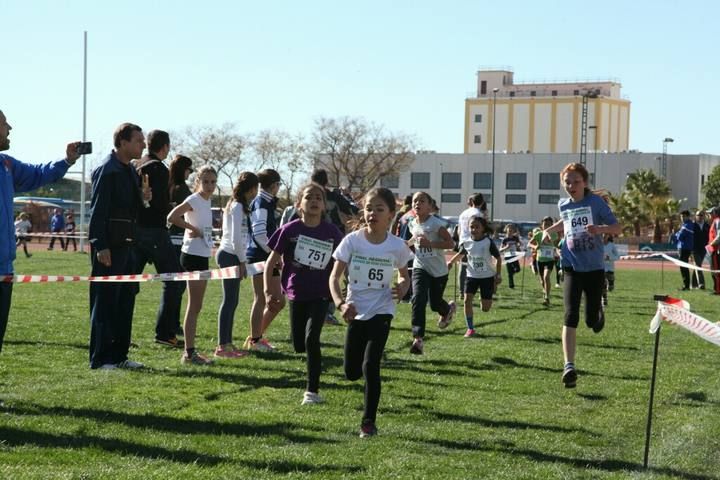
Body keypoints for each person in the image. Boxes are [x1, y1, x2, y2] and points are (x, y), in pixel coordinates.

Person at [329, 187, 412, 438]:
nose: (372, 213)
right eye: (368, 208)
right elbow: (334, 277)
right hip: (355, 310)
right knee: (351, 372)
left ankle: (368, 422)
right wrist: (341, 304)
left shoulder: (397, 246)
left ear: (391, 215)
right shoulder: (352, 241)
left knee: (370, 366)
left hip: (382, 310)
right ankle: (366, 408)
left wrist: (402, 287)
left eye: (379, 209)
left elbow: (405, 276)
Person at [0, 109, 79, 355]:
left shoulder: (6, 164)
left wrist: (66, 161)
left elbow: (38, 173)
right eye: (4, 123)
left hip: (4, 269)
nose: (10, 127)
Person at [541, 162, 621, 388]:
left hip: (594, 269)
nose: (571, 185)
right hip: (571, 267)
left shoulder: (596, 203)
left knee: (591, 322)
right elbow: (564, 222)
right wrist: (549, 231)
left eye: (576, 181)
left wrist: (601, 230)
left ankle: (598, 313)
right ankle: (569, 367)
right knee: (570, 316)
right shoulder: (563, 205)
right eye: (567, 182)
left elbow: (617, 227)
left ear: (585, 182)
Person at [265, 183, 343, 404]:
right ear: (299, 204)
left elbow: (344, 259)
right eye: (309, 197)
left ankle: (312, 392)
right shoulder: (290, 230)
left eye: (319, 197)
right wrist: (269, 292)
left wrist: (345, 284)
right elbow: (271, 263)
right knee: (298, 343)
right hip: (296, 292)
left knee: (311, 340)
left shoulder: (331, 232)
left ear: (324, 205)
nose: (315, 200)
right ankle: (311, 376)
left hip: (321, 293)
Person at [88, 122, 149, 370]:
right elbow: (98, 211)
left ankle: (119, 356)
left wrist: (144, 199)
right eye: (138, 140)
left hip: (129, 248)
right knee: (105, 302)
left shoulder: (132, 171)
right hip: (109, 249)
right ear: (122, 143)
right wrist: (100, 245)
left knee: (125, 300)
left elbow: (133, 210)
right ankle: (101, 358)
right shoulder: (107, 170)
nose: (143, 144)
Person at [133, 130, 185, 347]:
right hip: (154, 231)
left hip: (135, 231)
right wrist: (171, 207)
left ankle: (118, 335)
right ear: (164, 146)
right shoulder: (158, 168)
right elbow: (158, 202)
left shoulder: (137, 164)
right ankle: (165, 332)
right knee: (175, 280)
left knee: (126, 284)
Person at [167, 165, 218, 365]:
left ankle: (190, 352)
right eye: (205, 181)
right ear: (198, 181)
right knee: (194, 305)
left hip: (202, 254)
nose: (209, 185)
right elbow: (171, 217)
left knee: (197, 305)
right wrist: (190, 228)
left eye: (213, 182)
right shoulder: (194, 199)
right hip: (192, 255)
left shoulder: (207, 200)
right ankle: (189, 353)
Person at [214, 171, 258, 359]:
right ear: (253, 188)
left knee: (232, 301)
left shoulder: (236, 204)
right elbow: (235, 238)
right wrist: (242, 261)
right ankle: (222, 346)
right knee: (229, 301)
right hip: (230, 256)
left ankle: (227, 343)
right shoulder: (238, 205)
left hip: (231, 255)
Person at [406, 192, 456, 354]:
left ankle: (447, 310)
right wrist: (406, 245)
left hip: (438, 271)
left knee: (435, 304)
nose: (417, 203)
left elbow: (450, 243)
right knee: (418, 298)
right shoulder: (412, 223)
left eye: (422, 201)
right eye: (415, 201)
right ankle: (418, 338)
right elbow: (414, 240)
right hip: (420, 266)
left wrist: (431, 243)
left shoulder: (436, 224)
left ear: (429, 206)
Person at [244, 168, 284, 351]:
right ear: (274, 185)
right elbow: (260, 234)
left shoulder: (265, 201)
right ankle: (255, 339)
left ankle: (255, 337)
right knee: (261, 299)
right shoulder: (261, 202)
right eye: (278, 185)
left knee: (278, 301)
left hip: (265, 256)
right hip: (261, 256)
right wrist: (274, 254)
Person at [448, 216, 501, 338]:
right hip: (471, 276)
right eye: (472, 227)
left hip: (487, 277)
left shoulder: (488, 242)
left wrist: (498, 274)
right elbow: (460, 254)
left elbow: (498, 258)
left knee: (485, 308)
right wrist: (450, 262)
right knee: (467, 300)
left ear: (483, 228)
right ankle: (470, 328)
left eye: (477, 227)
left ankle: (485, 296)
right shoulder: (467, 242)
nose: (474, 229)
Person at [168, 154, 194, 336]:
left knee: (172, 284)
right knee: (178, 285)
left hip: (168, 238)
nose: (189, 173)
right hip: (179, 240)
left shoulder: (167, 186)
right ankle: (173, 323)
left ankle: (171, 321)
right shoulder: (183, 190)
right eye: (189, 170)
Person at [311, 169, 359, 235]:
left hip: (312, 235)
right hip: (334, 236)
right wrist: (347, 195)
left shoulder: (307, 198)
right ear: (326, 181)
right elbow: (354, 210)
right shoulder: (334, 196)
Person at [456, 193, 488, 293]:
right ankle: (473, 290)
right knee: (477, 266)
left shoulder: (463, 213)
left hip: (463, 241)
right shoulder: (479, 214)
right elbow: (481, 229)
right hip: (474, 241)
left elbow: (459, 230)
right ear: (482, 202)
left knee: (463, 266)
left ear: (471, 201)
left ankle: (462, 291)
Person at [529, 216, 559, 306]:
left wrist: (557, 251)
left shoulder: (554, 235)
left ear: (552, 225)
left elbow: (557, 245)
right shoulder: (538, 235)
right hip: (540, 260)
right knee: (542, 280)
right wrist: (535, 247)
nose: (547, 226)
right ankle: (545, 291)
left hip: (549, 260)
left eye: (549, 224)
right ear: (542, 225)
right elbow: (529, 243)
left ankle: (547, 297)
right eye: (545, 224)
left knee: (546, 277)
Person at [670, 210, 694, 291]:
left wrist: (675, 235)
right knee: (683, 266)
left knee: (683, 266)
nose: (682, 218)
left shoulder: (688, 225)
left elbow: (680, 236)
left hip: (685, 248)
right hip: (682, 248)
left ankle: (686, 286)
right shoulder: (685, 225)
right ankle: (686, 285)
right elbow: (678, 236)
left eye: (684, 216)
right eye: (681, 216)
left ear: (688, 216)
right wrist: (675, 235)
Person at [499, 223, 521, 289]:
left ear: (513, 231)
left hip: (514, 255)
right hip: (507, 256)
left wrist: (519, 246)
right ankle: (511, 286)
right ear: (507, 231)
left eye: (511, 231)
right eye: (509, 231)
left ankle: (512, 273)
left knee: (518, 269)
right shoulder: (505, 239)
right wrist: (506, 247)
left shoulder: (515, 238)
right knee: (509, 272)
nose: (510, 232)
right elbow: (500, 249)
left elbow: (518, 245)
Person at [692, 209, 709, 289]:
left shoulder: (707, 226)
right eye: (698, 215)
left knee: (697, 266)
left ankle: (693, 284)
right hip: (694, 249)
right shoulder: (693, 226)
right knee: (698, 265)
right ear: (696, 216)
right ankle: (701, 284)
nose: (700, 217)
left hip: (703, 249)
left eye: (701, 215)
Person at [706, 207, 720, 295]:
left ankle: (718, 290)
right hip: (714, 250)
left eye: (710, 213)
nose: (709, 215)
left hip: (716, 250)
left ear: (715, 213)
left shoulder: (717, 221)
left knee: (716, 270)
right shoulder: (715, 221)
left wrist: (712, 244)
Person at [602, 235, 619, 306]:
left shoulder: (612, 245)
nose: (603, 236)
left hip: (610, 268)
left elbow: (617, 256)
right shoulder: (598, 245)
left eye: (605, 235)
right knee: (602, 284)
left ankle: (611, 284)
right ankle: (604, 299)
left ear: (608, 236)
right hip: (601, 268)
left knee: (610, 287)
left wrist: (609, 258)